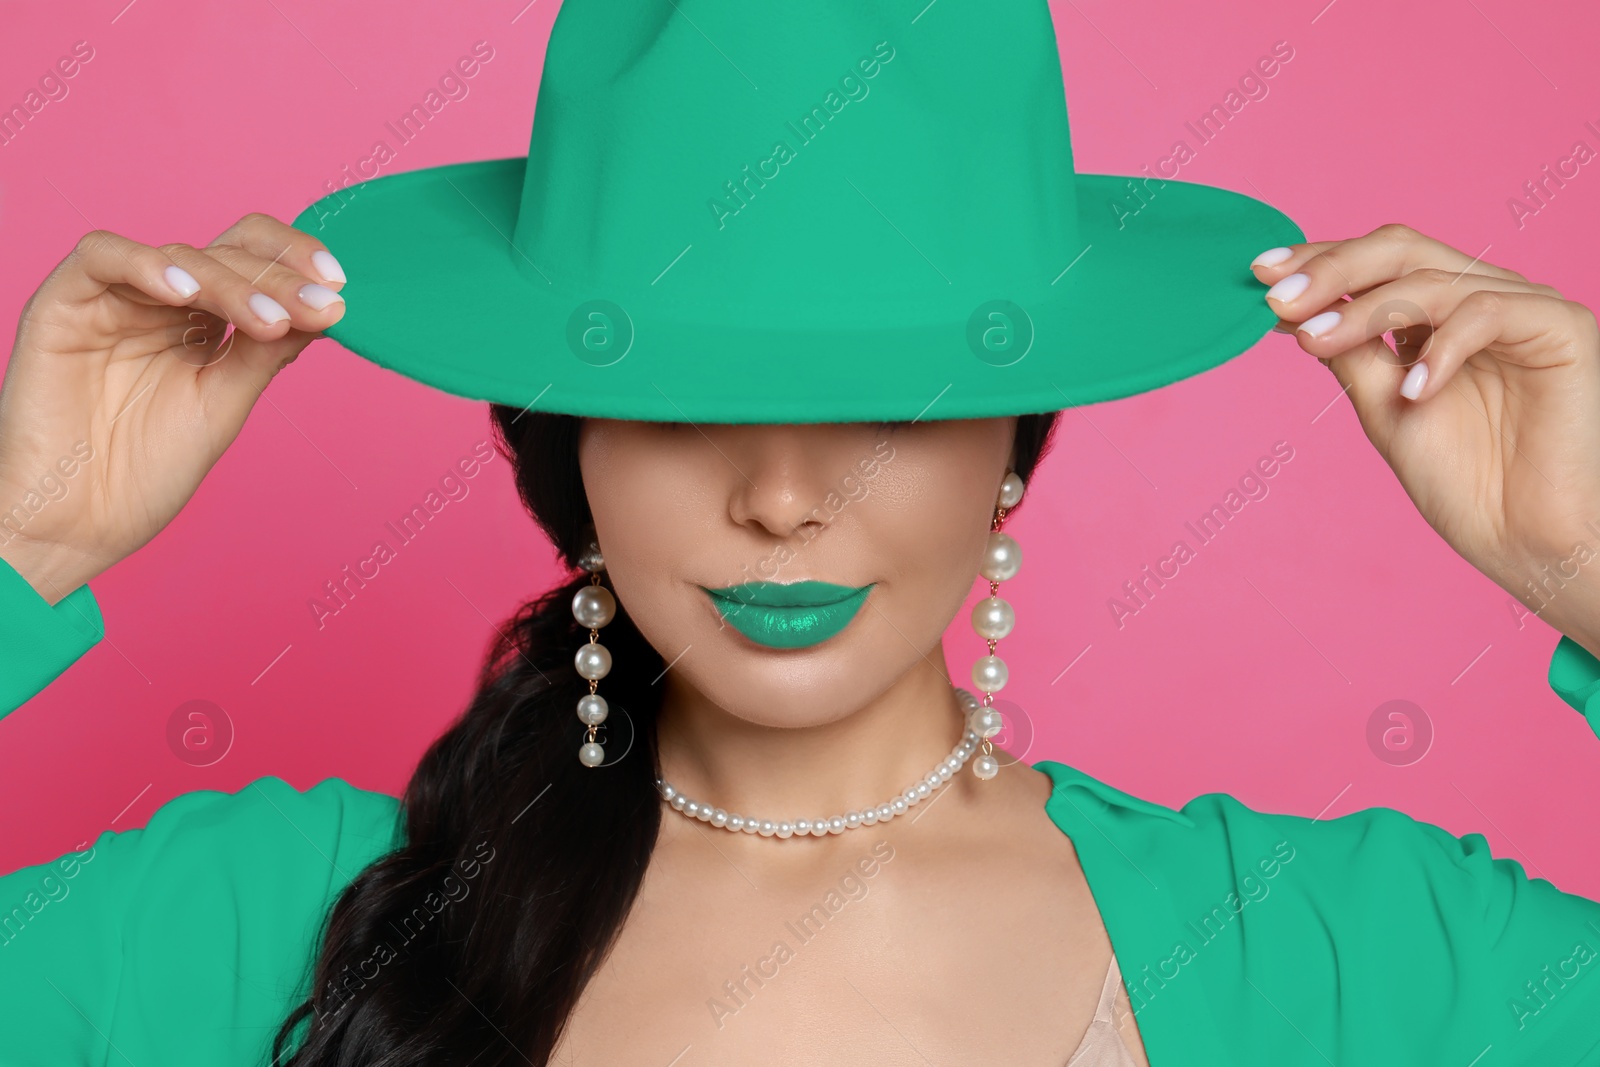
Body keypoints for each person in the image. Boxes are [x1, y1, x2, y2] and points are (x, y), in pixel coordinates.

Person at [3, 2, 1600, 1065]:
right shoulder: (258, 924)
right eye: (685, 404)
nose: (778, 495)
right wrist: (31, 536)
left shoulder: (1350, 961)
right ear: (570, 451)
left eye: (887, 407)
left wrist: (1590, 567)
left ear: (1012, 444)